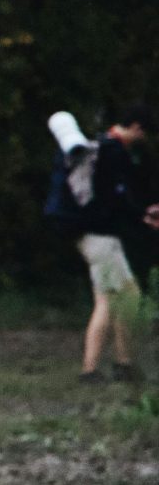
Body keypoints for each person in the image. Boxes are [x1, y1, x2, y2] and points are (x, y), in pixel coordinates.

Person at [73, 104, 159, 383]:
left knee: (120, 296)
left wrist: (141, 215)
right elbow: (117, 199)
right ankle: (94, 369)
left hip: (92, 234)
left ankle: (121, 363)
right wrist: (142, 217)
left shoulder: (99, 145)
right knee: (116, 298)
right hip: (101, 236)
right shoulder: (114, 151)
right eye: (144, 133)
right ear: (136, 127)